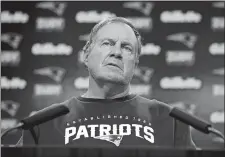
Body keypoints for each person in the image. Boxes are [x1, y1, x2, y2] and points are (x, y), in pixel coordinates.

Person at [22, 16, 196, 149]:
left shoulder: (170, 121)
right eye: (107, 43)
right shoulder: (43, 125)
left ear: (135, 63)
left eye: (127, 48)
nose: (116, 52)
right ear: (86, 55)